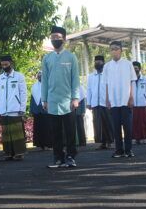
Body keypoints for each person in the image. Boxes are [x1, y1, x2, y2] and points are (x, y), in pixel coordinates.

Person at [41, 25, 81, 169]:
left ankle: (70, 157)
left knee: (70, 131)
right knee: (55, 132)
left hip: (68, 101)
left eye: (57, 38)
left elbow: (75, 79)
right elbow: (44, 80)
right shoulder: (47, 58)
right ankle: (58, 158)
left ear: (63, 39)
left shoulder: (71, 57)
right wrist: (44, 99)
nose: (55, 40)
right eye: (52, 38)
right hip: (52, 100)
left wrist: (75, 98)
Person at [103, 40, 137, 159]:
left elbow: (132, 81)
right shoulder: (107, 66)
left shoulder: (128, 64)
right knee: (116, 127)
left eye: (116, 48)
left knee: (127, 127)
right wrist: (107, 99)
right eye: (112, 49)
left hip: (125, 100)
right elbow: (106, 84)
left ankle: (128, 150)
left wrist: (131, 97)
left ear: (121, 50)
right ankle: (118, 150)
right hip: (113, 101)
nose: (114, 51)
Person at [0, 55, 27, 161]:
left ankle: (19, 153)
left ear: (11, 64)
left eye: (6, 64)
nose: (4, 66)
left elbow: (23, 93)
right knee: (7, 133)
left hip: (15, 109)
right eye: (2, 65)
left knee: (17, 132)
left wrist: (22, 108)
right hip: (4, 110)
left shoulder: (19, 76)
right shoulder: (0, 78)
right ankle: (8, 153)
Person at [85, 55, 113, 149]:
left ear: (103, 62)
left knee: (108, 123)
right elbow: (88, 89)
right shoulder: (91, 76)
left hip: (106, 103)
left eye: (99, 61)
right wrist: (88, 102)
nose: (97, 63)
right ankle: (103, 143)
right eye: (96, 62)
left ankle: (111, 142)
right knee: (98, 124)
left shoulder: (108, 74)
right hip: (95, 104)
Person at [29, 72, 52, 150]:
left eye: (41, 76)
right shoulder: (34, 86)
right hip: (37, 111)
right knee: (39, 129)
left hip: (47, 110)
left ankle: (49, 145)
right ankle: (41, 145)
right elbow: (32, 99)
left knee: (48, 128)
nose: (39, 77)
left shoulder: (49, 84)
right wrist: (31, 110)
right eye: (38, 76)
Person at [131, 61, 146, 144]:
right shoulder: (129, 80)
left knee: (143, 121)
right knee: (133, 122)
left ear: (139, 69)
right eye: (133, 68)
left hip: (143, 103)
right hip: (132, 103)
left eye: (136, 68)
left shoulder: (145, 79)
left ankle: (143, 137)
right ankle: (135, 138)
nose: (134, 70)